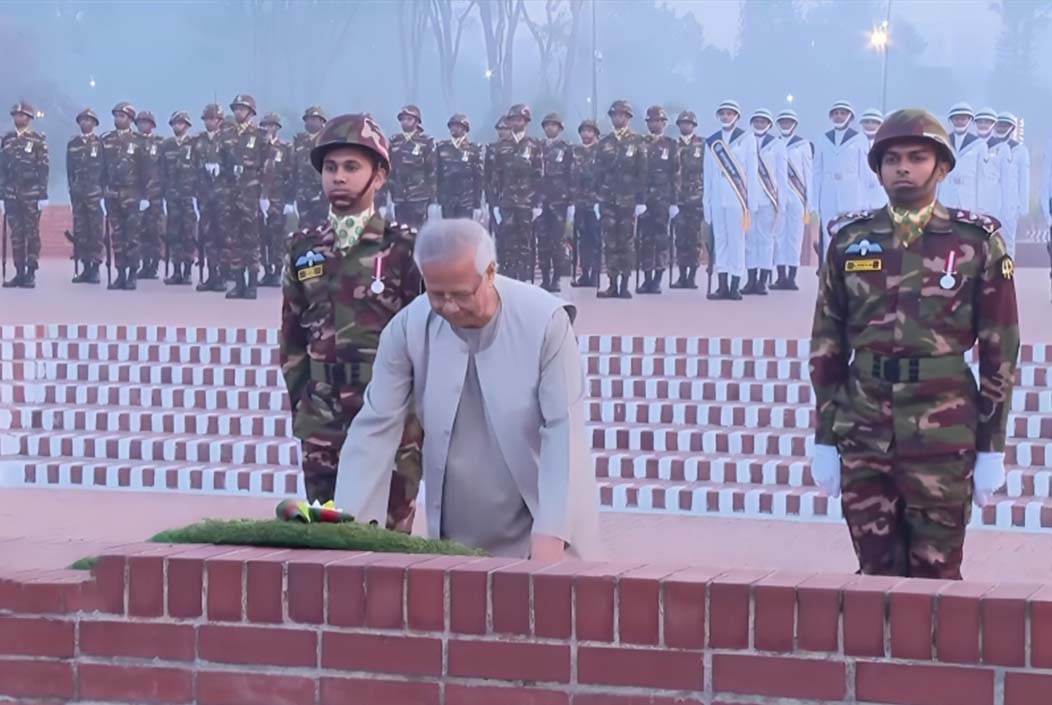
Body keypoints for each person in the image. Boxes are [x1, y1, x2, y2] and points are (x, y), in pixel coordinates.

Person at [809, 109, 1019, 580]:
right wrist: (825, 436)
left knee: (936, 575)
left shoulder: (977, 242)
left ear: (941, 168)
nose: (903, 168)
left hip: (943, 431)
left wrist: (991, 446)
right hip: (864, 428)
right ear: (878, 170)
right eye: (892, 159)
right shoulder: (850, 240)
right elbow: (826, 342)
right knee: (874, 571)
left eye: (917, 157)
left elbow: (1000, 350)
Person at [334, 218, 604, 561]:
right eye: (437, 294)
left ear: (490, 273)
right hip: (457, 530)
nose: (449, 307)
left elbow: (562, 429)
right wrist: (348, 526)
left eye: (461, 294)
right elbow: (374, 427)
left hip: (541, 520)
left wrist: (552, 531)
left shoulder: (546, 322)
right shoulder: (407, 328)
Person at [279, 113, 423, 529]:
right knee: (326, 536)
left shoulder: (404, 247)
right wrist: (304, 405)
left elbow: (426, 339)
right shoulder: (304, 248)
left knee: (388, 540)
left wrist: (414, 416)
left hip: (387, 413)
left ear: (379, 176)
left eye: (351, 167)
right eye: (330, 168)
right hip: (322, 418)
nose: (338, 177)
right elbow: (291, 338)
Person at [703, 99, 758, 301]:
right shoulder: (712, 141)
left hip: (737, 197)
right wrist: (706, 203)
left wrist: (751, 202)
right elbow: (708, 174)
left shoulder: (747, 138)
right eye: (723, 113)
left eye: (730, 113)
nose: (726, 117)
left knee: (736, 242)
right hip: (718, 197)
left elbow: (751, 172)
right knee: (721, 241)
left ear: (737, 116)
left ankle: (735, 285)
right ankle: (722, 286)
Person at [595, 99, 646, 299]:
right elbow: (598, 172)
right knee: (610, 242)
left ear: (628, 118)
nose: (618, 118)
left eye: (621, 115)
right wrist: (597, 198)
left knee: (626, 242)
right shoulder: (604, 142)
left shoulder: (637, 141)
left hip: (628, 199)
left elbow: (642, 172)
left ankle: (625, 284)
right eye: (615, 115)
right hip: (607, 199)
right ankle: (612, 283)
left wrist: (641, 200)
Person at [100, 101, 150, 291]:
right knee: (117, 236)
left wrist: (145, 196)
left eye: (122, 116)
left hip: (132, 193)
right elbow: (101, 168)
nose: (118, 119)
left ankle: (132, 274)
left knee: (132, 236)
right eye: (116, 116)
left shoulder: (138, 140)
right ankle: (120, 273)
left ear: (130, 119)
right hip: (112, 193)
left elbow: (145, 170)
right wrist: (102, 191)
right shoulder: (106, 139)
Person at [492, 104, 543, 282]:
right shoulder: (501, 146)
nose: (515, 123)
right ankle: (509, 278)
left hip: (526, 202)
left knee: (525, 242)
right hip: (506, 202)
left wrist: (537, 203)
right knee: (508, 241)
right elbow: (496, 176)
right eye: (513, 119)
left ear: (526, 122)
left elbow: (539, 175)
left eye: (519, 119)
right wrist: (495, 203)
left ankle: (523, 278)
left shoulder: (534, 145)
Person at [222, 94, 266, 300]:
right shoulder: (226, 134)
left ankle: (252, 284)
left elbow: (267, 167)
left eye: (242, 108)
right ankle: (238, 284)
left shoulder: (259, 135)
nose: (238, 112)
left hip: (251, 194)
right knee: (234, 240)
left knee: (252, 240)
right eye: (236, 108)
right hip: (231, 194)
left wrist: (265, 195)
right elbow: (221, 162)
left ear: (250, 112)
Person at [1, 102, 49, 289]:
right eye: (15, 115)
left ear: (29, 118)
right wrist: (1, 194)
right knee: (16, 235)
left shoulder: (37, 140)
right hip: (11, 194)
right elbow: (2, 169)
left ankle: (31, 272)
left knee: (32, 233)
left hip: (31, 194)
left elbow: (43, 168)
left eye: (21, 115)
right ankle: (19, 272)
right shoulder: (7, 139)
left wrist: (43, 194)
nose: (18, 118)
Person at [814, 100, 868, 262]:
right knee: (828, 234)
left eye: (843, 113)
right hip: (828, 193)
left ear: (850, 116)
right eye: (836, 113)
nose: (839, 116)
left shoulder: (859, 139)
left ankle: (847, 272)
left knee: (849, 234)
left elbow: (864, 171)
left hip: (851, 193)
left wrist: (864, 202)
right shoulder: (822, 139)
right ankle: (828, 271)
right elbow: (816, 172)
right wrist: (814, 202)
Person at [637, 105, 679, 294]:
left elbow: (676, 174)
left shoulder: (671, 144)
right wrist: (638, 199)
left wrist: (674, 202)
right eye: (651, 121)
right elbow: (636, 172)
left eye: (658, 121)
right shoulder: (640, 143)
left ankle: (658, 279)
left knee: (662, 239)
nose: (655, 124)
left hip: (663, 198)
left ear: (664, 123)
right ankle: (646, 278)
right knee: (645, 239)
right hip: (645, 199)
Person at [771, 108, 812, 291]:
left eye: (788, 122)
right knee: (778, 236)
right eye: (783, 122)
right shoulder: (773, 144)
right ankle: (780, 276)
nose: (785, 125)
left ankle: (792, 277)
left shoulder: (803, 145)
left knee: (795, 237)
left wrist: (809, 201)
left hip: (797, 196)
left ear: (795, 124)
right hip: (779, 196)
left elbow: (808, 173)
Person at [193, 104, 231, 292]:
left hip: (223, 195)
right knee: (208, 236)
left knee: (223, 236)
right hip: (205, 194)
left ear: (220, 121)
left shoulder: (228, 140)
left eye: (213, 119)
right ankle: (212, 274)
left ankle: (224, 275)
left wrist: (221, 168)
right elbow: (192, 166)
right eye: (207, 119)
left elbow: (235, 166)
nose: (209, 122)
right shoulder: (198, 141)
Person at [159, 111, 197, 285]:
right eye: (174, 123)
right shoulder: (167, 145)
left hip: (189, 196)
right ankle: (176, 271)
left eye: (180, 123)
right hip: (172, 196)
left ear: (187, 126)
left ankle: (188, 271)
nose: (177, 126)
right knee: (173, 234)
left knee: (188, 234)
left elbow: (199, 169)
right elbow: (162, 171)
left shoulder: (194, 144)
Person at [67, 108, 104, 284]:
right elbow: (70, 171)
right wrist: (71, 192)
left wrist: (103, 193)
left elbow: (105, 170)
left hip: (95, 194)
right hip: (78, 194)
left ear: (94, 123)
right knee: (80, 232)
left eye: (88, 120)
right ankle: (85, 267)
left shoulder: (100, 144)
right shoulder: (73, 144)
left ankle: (95, 268)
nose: (85, 123)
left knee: (95, 232)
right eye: (82, 120)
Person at [384, 105, 437, 229]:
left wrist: (433, 200)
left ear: (417, 122)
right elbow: (390, 171)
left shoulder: (426, 141)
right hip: (399, 197)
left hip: (419, 196)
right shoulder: (394, 141)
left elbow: (432, 171)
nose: (405, 122)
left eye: (409, 119)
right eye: (402, 119)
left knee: (418, 231)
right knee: (400, 233)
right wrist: (390, 197)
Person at [538, 112, 573, 292]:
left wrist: (571, 201)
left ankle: (556, 278)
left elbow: (571, 175)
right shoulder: (537, 147)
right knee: (542, 241)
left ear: (559, 128)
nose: (549, 128)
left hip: (560, 201)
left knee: (557, 242)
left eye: (553, 125)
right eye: (547, 125)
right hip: (541, 202)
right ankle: (545, 278)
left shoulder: (566, 149)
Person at [260, 112, 295, 288]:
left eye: (271, 125)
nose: (268, 129)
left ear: (277, 128)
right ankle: (266, 270)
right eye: (265, 125)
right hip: (259, 198)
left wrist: (289, 200)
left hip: (278, 199)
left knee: (277, 235)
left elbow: (292, 175)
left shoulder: (285, 148)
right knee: (261, 236)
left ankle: (278, 269)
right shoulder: (258, 147)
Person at [671, 110, 704, 289]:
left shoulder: (702, 144)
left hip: (696, 199)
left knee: (694, 238)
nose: (685, 126)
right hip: (679, 200)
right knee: (680, 239)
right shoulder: (673, 145)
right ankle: (682, 275)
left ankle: (692, 276)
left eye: (688, 123)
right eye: (682, 123)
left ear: (694, 126)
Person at [990, 112, 1029, 259]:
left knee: (1008, 240)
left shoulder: (1020, 150)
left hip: (1010, 203)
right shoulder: (987, 146)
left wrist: (1023, 207)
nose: (1001, 128)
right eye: (999, 125)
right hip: (991, 201)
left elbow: (1024, 179)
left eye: (1005, 125)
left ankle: (1008, 269)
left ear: (1012, 128)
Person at [937, 102, 986, 212]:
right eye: (956, 119)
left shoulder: (979, 144)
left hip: (969, 196)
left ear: (969, 120)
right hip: (946, 194)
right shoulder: (943, 141)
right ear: (951, 120)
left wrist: (981, 205)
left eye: (963, 119)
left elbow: (982, 177)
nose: (959, 122)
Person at [570, 119, 601, 288]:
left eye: (589, 131)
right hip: (579, 202)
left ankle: (595, 273)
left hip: (595, 202)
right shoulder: (575, 151)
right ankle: (584, 272)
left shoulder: (601, 151)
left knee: (595, 238)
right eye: (583, 131)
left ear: (595, 134)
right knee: (582, 240)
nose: (585, 134)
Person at [134, 111, 165, 279]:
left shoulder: (160, 143)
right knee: (139, 231)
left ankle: (154, 265)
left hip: (155, 195)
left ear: (152, 125)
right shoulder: (132, 142)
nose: (142, 125)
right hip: (136, 194)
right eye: (139, 122)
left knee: (154, 231)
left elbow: (164, 169)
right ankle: (143, 264)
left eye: (146, 122)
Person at [435, 113, 482, 221]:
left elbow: (478, 177)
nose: (453, 129)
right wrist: (437, 198)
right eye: (451, 126)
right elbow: (437, 174)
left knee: (464, 229)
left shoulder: (473, 149)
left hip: (466, 199)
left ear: (464, 129)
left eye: (457, 126)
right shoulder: (442, 147)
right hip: (447, 198)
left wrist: (477, 203)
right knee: (448, 228)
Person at [974, 107, 1009, 234]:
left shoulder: (1003, 148)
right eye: (980, 122)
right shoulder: (969, 146)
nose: (983, 125)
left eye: (987, 122)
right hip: (971, 199)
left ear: (994, 124)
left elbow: (1006, 179)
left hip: (993, 199)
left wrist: (1006, 205)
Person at [293, 106, 328, 231]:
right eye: (307, 119)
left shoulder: (327, 140)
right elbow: (293, 166)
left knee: (321, 227)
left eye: (314, 119)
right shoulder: (299, 140)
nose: (310, 122)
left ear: (322, 121)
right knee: (304, 228)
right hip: (302, 192)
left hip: (322, 192)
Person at [859, 108, 887, 211]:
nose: (870, 125)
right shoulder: (852, 144)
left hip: (880, 190)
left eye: (874, 122)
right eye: (867, 122)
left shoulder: (885, 143)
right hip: (858, 192)